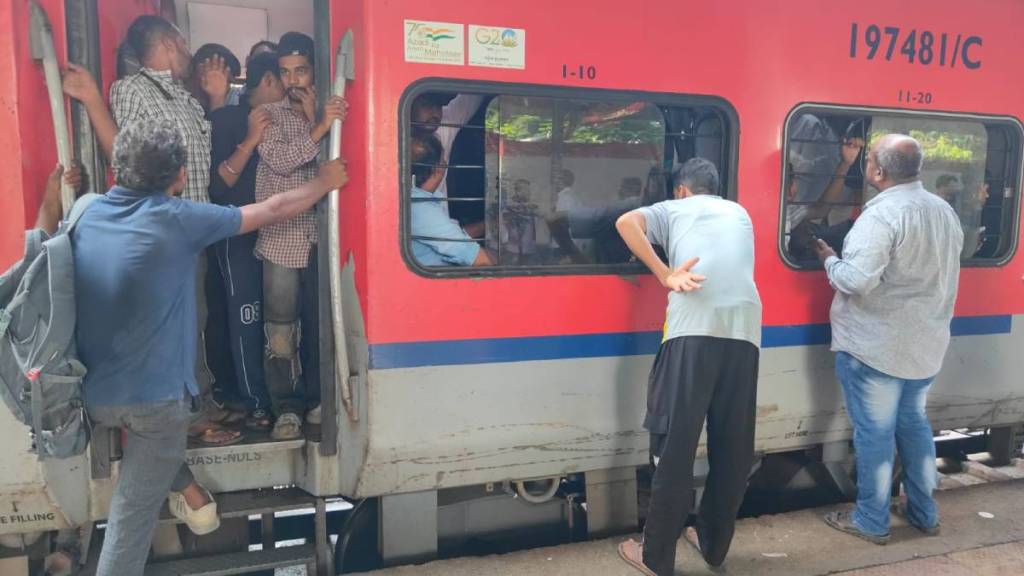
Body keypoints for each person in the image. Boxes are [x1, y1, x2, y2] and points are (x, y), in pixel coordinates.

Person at [73, 118, 347, 576]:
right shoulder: (179, 219)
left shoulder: (85, 211)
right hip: (156, 407)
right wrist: (323, 180)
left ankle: (192, 495)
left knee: (151, 454)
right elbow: (274, 208)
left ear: (115, 170)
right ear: (180, 177)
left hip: (94, 398)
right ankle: (191, 500)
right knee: (131, 516)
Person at [60, 15, 240, 445]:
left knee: (198, 319)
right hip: (163, 231)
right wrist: (93, 102)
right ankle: (191, 415)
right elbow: (122, 153)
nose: (187, 52)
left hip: (194, 228)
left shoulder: (182, 97)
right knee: (183, 325)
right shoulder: (134, 90)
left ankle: (197, 405)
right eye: (182, 42)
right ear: (168, 42)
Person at [614, 158, 762, 576]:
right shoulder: (740, 212)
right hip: (745, 333)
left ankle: (654, 556)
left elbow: (626, 223)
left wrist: (664, 274)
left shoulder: (673, 208)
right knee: (733, 446)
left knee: (674, 446)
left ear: (681, 189)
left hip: (692, 332)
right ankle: (714, 545)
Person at [814, 134, 963, 545]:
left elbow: (857, 281)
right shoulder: (943, 211)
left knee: (875, 435)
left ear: (878, 171)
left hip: (875, 349)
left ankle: (872, 520)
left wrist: (829, 258)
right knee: (914, 426)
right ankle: (923, 513)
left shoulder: (882, 217)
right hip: (925, 346)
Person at [255, 32, 347, 440]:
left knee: (320, 325)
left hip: (322, 240)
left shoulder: (330, 109)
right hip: (281, 240)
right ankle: (286, 409)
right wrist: (320, 126)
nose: (293, 80)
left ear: (315, 70)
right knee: (280, 333)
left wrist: (321, 120)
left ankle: (314, 400)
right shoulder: (267, 114)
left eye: (301, 71)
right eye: (285, 72)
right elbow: (279, 161)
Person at [206, 51, 287, 430]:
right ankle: (256, 401)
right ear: (269, 80)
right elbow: (218, 189)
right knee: (246, 317)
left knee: (270, 318)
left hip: (270, 233)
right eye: (283, 78)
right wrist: (252, 139)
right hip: (235, 233)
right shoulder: (228, 119)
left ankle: (265, 395)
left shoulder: (284, 118)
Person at [410, 134, 494, 267]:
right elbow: (480, 260)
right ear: (438, 168)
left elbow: (453, 236)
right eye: (443, 159)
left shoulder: (417, 199)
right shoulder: (420, 207)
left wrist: (491, 224)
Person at [410, 93, 484, 211]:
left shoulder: (444, 127)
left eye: (439, 105)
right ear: (409, 104)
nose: (435, 112)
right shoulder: (388, 142)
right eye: (426, 104)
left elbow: (476, 91)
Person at [190, 43, 243, 110]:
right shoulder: (181, 101)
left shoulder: (234, 101)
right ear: (201, 70)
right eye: (221, 79)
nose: (225, 88)